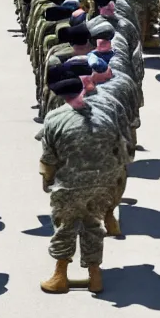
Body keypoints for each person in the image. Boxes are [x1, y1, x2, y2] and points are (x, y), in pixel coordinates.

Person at [39, 78, 128, 294]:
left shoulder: (55, 118)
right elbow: (120, 150)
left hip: (70, 185)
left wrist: (47, 181)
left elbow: (48, 160)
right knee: (94, 226)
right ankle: (95, 276)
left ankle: (60, 276)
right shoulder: (105, 115)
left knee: (65, 227)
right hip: (102, 183)